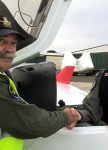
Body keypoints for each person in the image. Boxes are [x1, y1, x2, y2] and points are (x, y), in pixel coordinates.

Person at [0, 15, 79, 149]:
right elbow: (29, 122)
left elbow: (21, 106)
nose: (9, 49)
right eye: (2, 41)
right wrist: (65, 117)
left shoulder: (4, 74)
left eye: (13, 43)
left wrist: (61, 112)